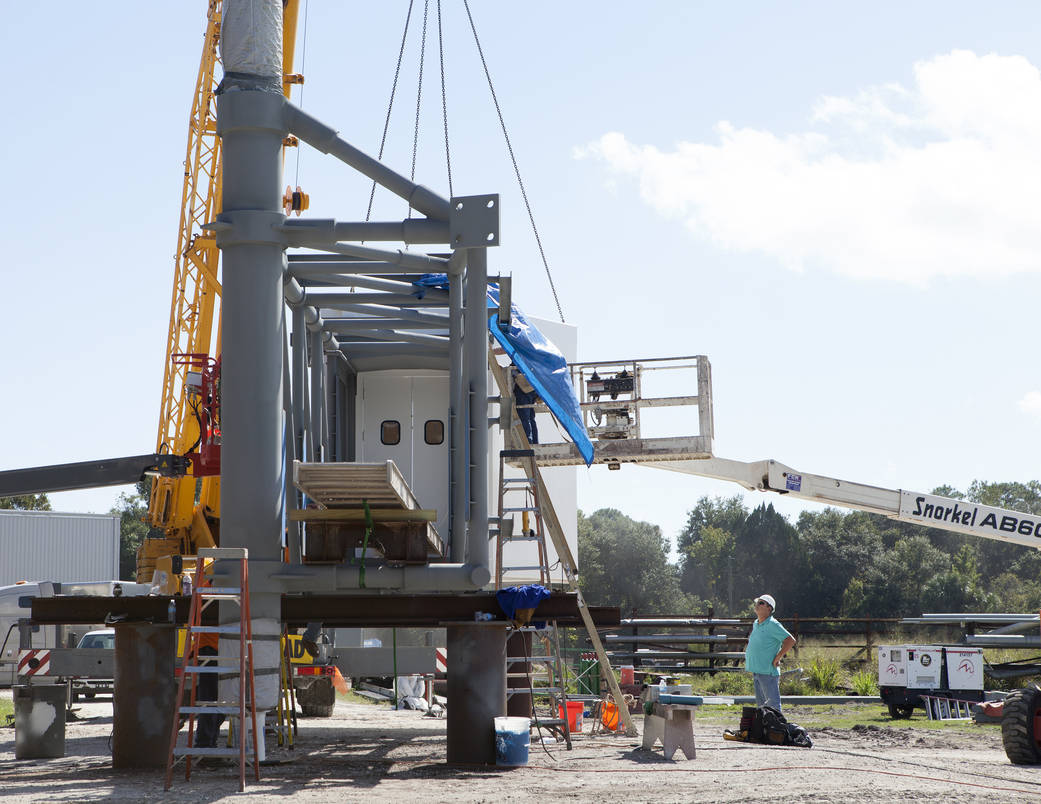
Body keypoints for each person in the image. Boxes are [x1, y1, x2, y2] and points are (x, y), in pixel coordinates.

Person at [744, 594, 796, 713]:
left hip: (768, 671)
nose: (757, 605)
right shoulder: (756, 623)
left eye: (761, 603)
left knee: (773, 707)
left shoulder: (773, 624)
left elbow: (790, 640)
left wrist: (778, 657)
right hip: (757, 670)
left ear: (769, 608)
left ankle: (776, 730)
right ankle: (764, 730)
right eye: (757, 602)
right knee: (761, 708)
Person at [512, 368, 539, 444]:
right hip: (531, 383)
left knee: (524, 417)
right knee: (530, 417)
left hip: (524, 385)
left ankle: (528, 443)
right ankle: (533, 442)